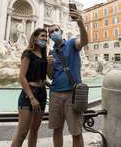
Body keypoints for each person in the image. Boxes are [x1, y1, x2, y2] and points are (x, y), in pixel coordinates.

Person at [47, 8, 88, 147]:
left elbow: (84, 41)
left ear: (61, 32)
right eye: (50, 32)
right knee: (57, 130)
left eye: (55, 30)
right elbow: (51, 75)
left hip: (72, 94)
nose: (53, 33)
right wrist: (49, 66)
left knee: (76, 132)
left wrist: (80, 23)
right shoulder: (51, 52)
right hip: (55, 94)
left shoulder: (71, 43)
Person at [11, 28, 48, 147]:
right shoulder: (28, 53)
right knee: (22, 133)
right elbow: (22, 77)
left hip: (42, 93)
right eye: (42, 36)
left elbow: (41, 76)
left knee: (34, 131)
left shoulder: (43, 54)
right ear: (35, 37)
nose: (45, 38)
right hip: (29, 95)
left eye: (46, 37)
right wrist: (32, 98)